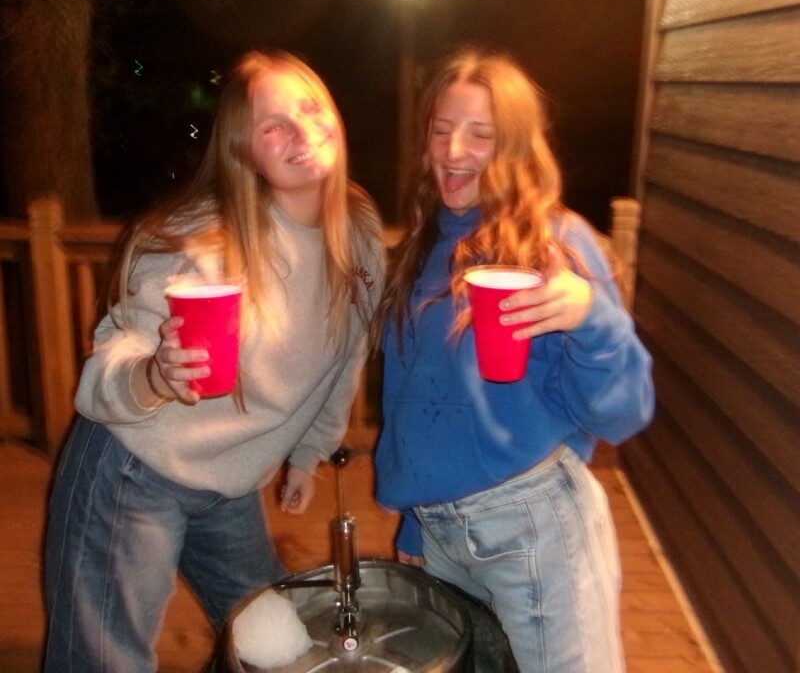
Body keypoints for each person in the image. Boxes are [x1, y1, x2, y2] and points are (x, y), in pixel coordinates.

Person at [44, 50, 385, 673]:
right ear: (242, 152)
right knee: (104, 661)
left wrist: (309, 451)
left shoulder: (358, 237)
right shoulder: (202, 238)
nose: (302, 131)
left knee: (278, 651)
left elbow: (347, 352)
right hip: (132, 471)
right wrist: (155, 374)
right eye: (273, 126)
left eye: (310, 108)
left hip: (228, 488)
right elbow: (99, 381)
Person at [373, 46, 654, 673]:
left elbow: (626, 413)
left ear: (517, 147)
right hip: (443, 537)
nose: (454, 151)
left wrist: (590, 317)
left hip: (535, 523)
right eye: (441, 130)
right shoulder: (425, 245)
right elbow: (413, 399)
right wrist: (415, 518)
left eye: (481, 134)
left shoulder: (556, 243)